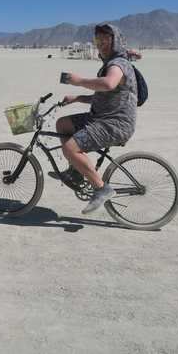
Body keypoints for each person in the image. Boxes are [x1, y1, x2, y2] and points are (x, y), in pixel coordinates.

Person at [53, 23, 138, 214]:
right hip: (101, 117)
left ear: (115, 41)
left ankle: (102, 188)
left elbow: (108, 84)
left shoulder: (118, 64)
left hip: (115, 124)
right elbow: (104, 96)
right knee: (62, 124)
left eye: (106, 39)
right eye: (98, 40)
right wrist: (77, 98)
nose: (101, 44)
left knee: (70, 147)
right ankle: (76, 172)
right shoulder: (110, 63)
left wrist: (79, 81)